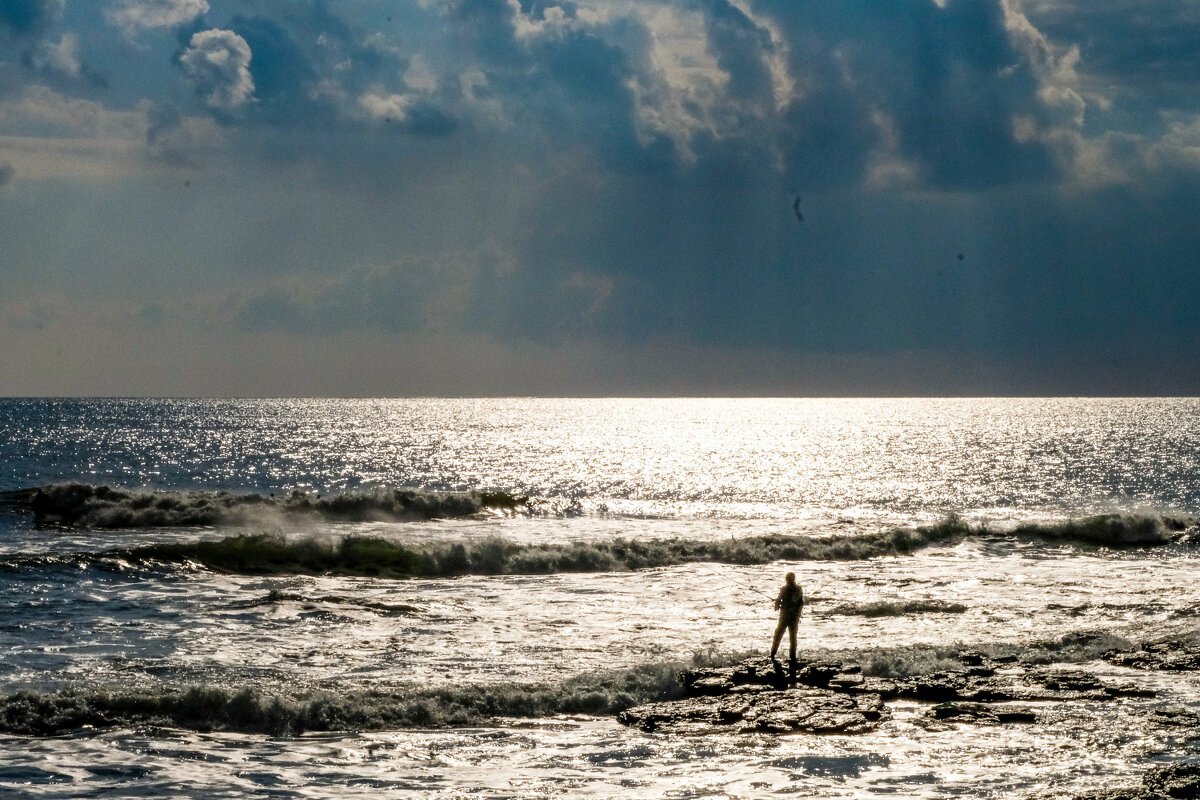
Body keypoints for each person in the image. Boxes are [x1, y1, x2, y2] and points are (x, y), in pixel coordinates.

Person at [770, 571, 804, 662]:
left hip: (787, 617)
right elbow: (798, 602)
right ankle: (789, 657)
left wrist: (779, 604)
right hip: (792, 617)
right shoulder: (798, 589)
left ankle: (774, 655)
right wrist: (778, 603)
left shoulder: (788, 589)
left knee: (780, 636)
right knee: (789, 637)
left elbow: (794, 601)